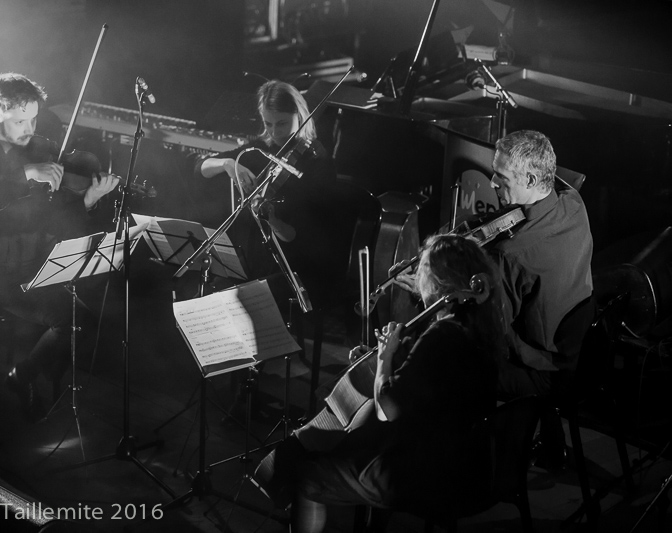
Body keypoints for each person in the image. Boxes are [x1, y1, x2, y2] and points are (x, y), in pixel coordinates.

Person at [254, 234, 505, 533]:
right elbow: (435, 381)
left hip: (427, 471)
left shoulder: (441, 335)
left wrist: (384, 358)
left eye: (422, 271)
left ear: (437, 282)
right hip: (468, 462)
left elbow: (387, 409)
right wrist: (393, 356)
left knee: (309, 478)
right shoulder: (481, 327)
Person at [0, 73, 119, 451]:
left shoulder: (46, 148)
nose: (29, 129)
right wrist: (26, 173)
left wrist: (86, 202)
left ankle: (23, 375)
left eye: (34, 119)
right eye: (20, 120)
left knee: (78, 319)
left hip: (22, 270)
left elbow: (55, 217)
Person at [486, 130, 594, 465]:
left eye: (501, 177)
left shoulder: (511, 254)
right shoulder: (573, 202)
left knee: (457, 362)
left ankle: (478, 462)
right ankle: (552, 444)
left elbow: (497, 337)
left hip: (545, 373)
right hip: (582, 355)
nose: (492, 183)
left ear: (532, 178)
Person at [195, 80, 337, 308]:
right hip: (252, 255)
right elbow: (200, 167)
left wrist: (271, 219)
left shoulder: (317, 162)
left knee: (238, 295)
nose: (274, 131)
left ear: (299, 115)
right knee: (209, 286)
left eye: (281, 123)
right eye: (268, 123)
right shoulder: (260, 147)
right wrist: (229, 164)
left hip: (290, 263)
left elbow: (302, 237)